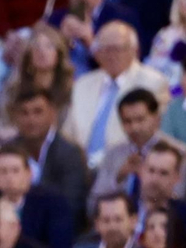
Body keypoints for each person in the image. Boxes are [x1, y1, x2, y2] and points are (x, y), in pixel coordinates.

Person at [65, 20, 171, 162]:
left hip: (124, 162)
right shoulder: (83, 83)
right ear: (96, 53)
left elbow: (152, 133)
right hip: (78, 165)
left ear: (134, 50)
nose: (111, 55)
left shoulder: (153, 82)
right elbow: (68, 132)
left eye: (118, 49)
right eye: (105, 49)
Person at [89, 88, 186, 215]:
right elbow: (92, 206)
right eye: (127, 121)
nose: (134, 127)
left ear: (156, 119)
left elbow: (180, 200)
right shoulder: (113, 154)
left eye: (140, 120)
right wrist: (119, 177)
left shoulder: (179, 153)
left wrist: (151, 180)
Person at [48, 0, 141, 76]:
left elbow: (130, 64)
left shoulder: (122, 18)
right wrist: (61, 41)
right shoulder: (56, 18)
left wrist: (91, 43)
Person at [10, 86, 88, 226]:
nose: (31, 119)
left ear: (52, 114)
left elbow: (72, 206)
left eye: (38, 112)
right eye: (24, 113)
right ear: (16, 117)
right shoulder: (8, 151)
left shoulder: (70, 153)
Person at [0, 143, 71, 248]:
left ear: (29, 174)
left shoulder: (53, 203)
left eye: (15, 171)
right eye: (3, 172)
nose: (10, 177)